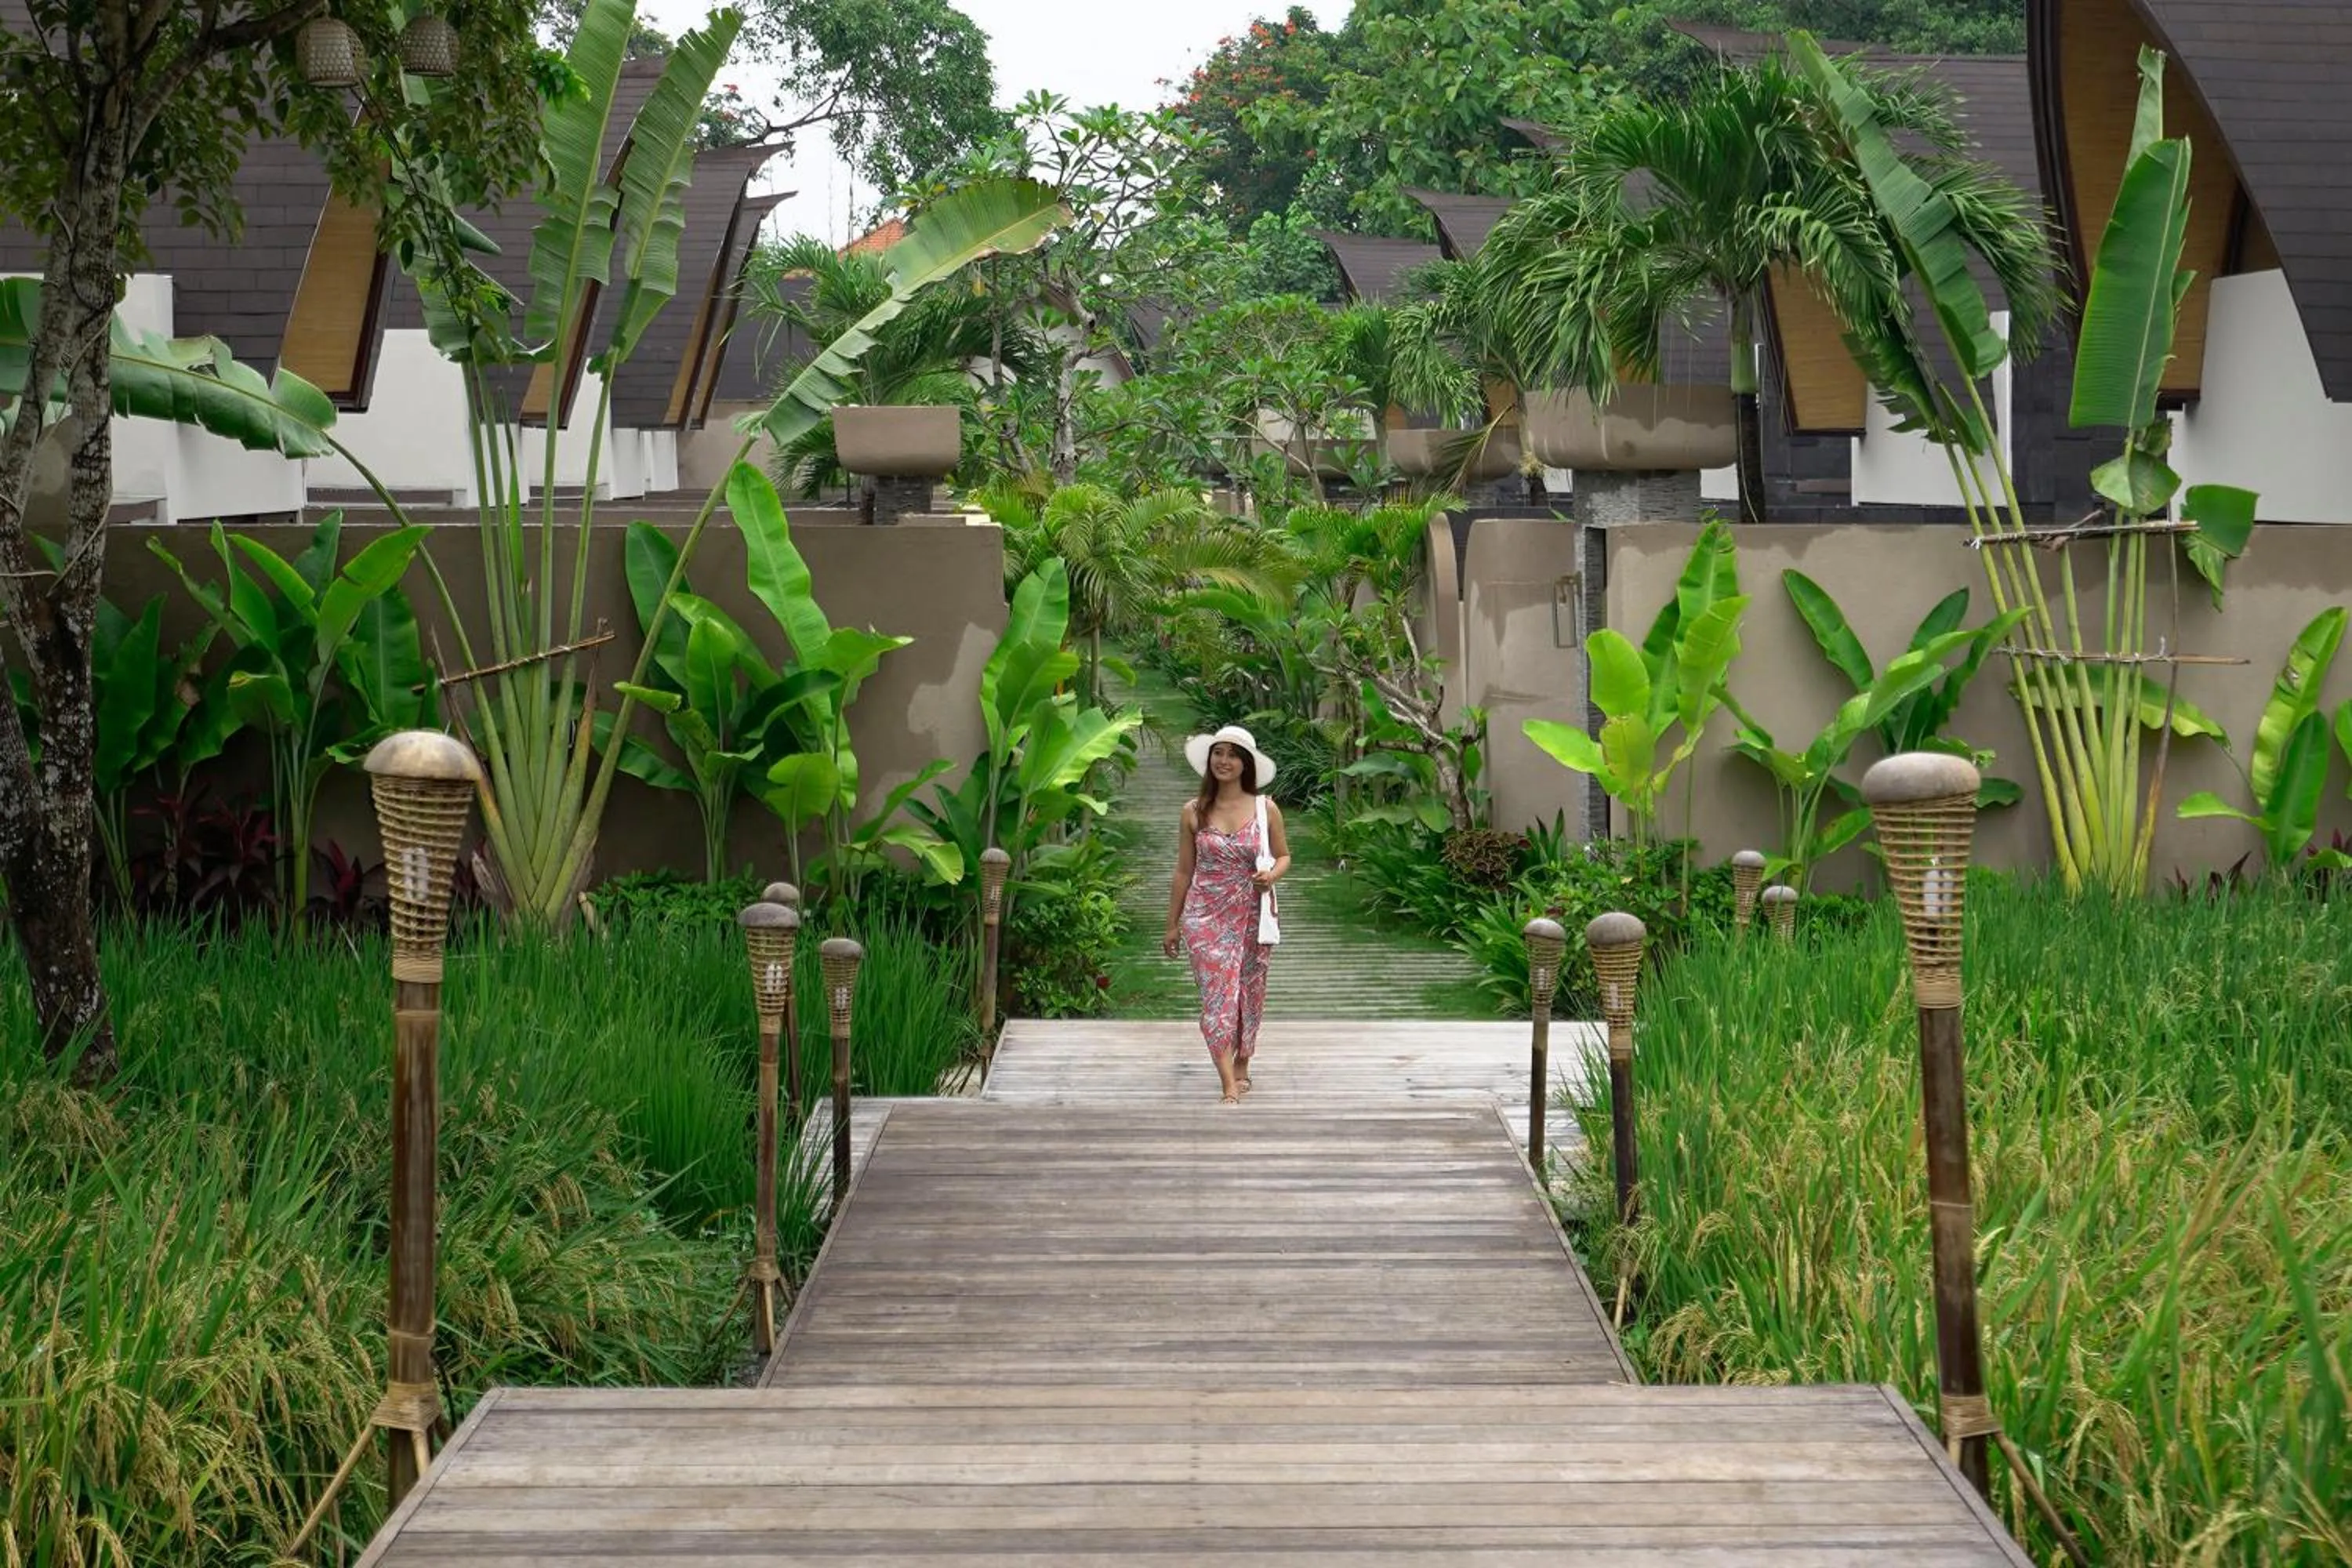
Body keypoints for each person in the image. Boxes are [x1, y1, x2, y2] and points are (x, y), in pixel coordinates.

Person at [1164, 724, 1290, 1104]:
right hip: (1205, 916)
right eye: (1218, 753)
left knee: (1250, 992)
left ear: (1246, 764)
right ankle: (1227, 1082)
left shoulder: (1264, 808)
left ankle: (1243, 1063)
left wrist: (1271, 876)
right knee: (1217, 997)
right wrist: (1172, 925)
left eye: (1233, 755)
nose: (1224, 761)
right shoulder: (1193, 811)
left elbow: (1285, 856)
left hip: (1253, 913)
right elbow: (1183, 871)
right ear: (1209, 760)